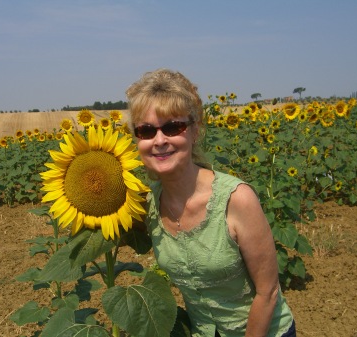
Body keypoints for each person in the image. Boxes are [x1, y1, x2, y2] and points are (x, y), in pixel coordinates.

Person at [125, 68, 296, 337]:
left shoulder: (236, 199)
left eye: (172, 127)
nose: (159, 140)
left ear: (194, 131)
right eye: (146, 131)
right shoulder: (148, 204)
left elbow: (268, 292)